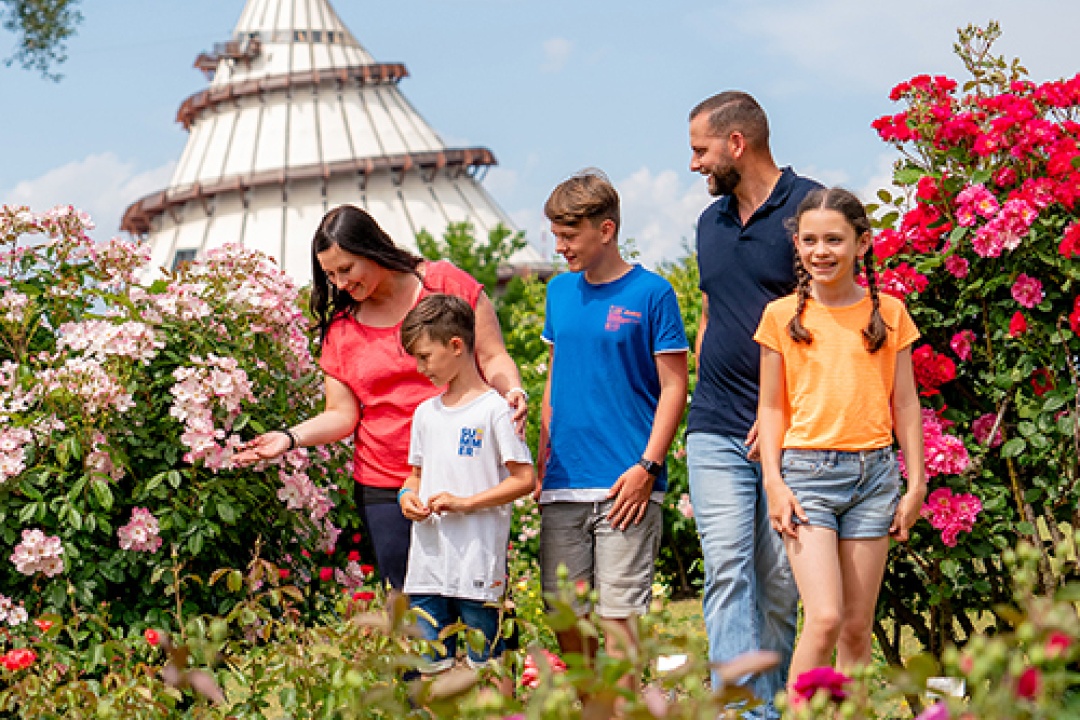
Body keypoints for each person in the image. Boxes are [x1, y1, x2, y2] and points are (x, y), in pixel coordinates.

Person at [234, 205, 528, 590]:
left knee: (479, 595)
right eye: (329, 275)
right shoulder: (342, 329)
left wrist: (513, 391)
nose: (339, 283)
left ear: (372, 250)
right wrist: (288, 438)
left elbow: (492, 356)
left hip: (463, 471)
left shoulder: (444, 283)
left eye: (347, 269)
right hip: (386, 483)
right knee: (410, 603)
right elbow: (341, 414)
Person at [754, 188, 926, 686]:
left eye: (834, 239)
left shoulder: (889, 314)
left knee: (855, 629)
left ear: (862, 244)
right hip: (808, 476)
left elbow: (906, 404)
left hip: (874, 478)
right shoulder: (781, 316)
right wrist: (773, 483)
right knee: (825, 617)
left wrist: (915, 485)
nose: (820, 251)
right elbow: (771, 407)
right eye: (809, 240)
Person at [685, 90, 821, 717]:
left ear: (736, 144)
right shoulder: (709, 224)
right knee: (729, 567)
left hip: (791, 430)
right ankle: (746, 712)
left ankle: (774, 705)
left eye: (700, 150)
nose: (694, 165)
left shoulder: (810, 209)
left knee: (776, 584)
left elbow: (830, 324)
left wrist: (782, 416)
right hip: (714, 425)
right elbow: (713, 312)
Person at [538, 169, 689, 672]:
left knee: (618, 616)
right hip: (563, 482)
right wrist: (540, 462)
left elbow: (674, 387)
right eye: (556, 235)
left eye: (569, 235)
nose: (560, 246)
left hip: (627, 482)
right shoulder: (559, 293)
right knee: (565, 615)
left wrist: (649, 466)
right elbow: (554, 384)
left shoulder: (653, 293)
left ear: (605, 229)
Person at [396, 293, 534, 679]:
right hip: (426, 565)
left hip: (477, 564)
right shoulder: (425, 413)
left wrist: (465, 503)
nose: (421, 367)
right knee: (431, 668)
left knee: (489, 667)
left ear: (456, 346)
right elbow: (415, 476)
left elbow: (525, 479)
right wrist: (406, 496)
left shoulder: (496, 410)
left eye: (425, 356)